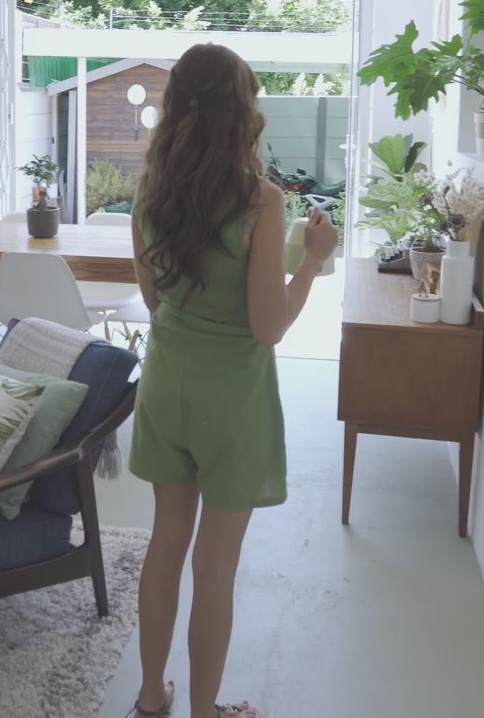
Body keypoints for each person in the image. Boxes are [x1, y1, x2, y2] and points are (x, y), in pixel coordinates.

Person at [125, 43, 337, 718]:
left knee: (165, 544)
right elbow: (267, 326)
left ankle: (150, 695)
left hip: (165, 384)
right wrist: (313, 261)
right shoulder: (260, 202)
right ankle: (205, 711)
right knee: (215, 565)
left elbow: (157, 304)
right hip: (232, 400)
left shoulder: (150, 195)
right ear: (244, 113)